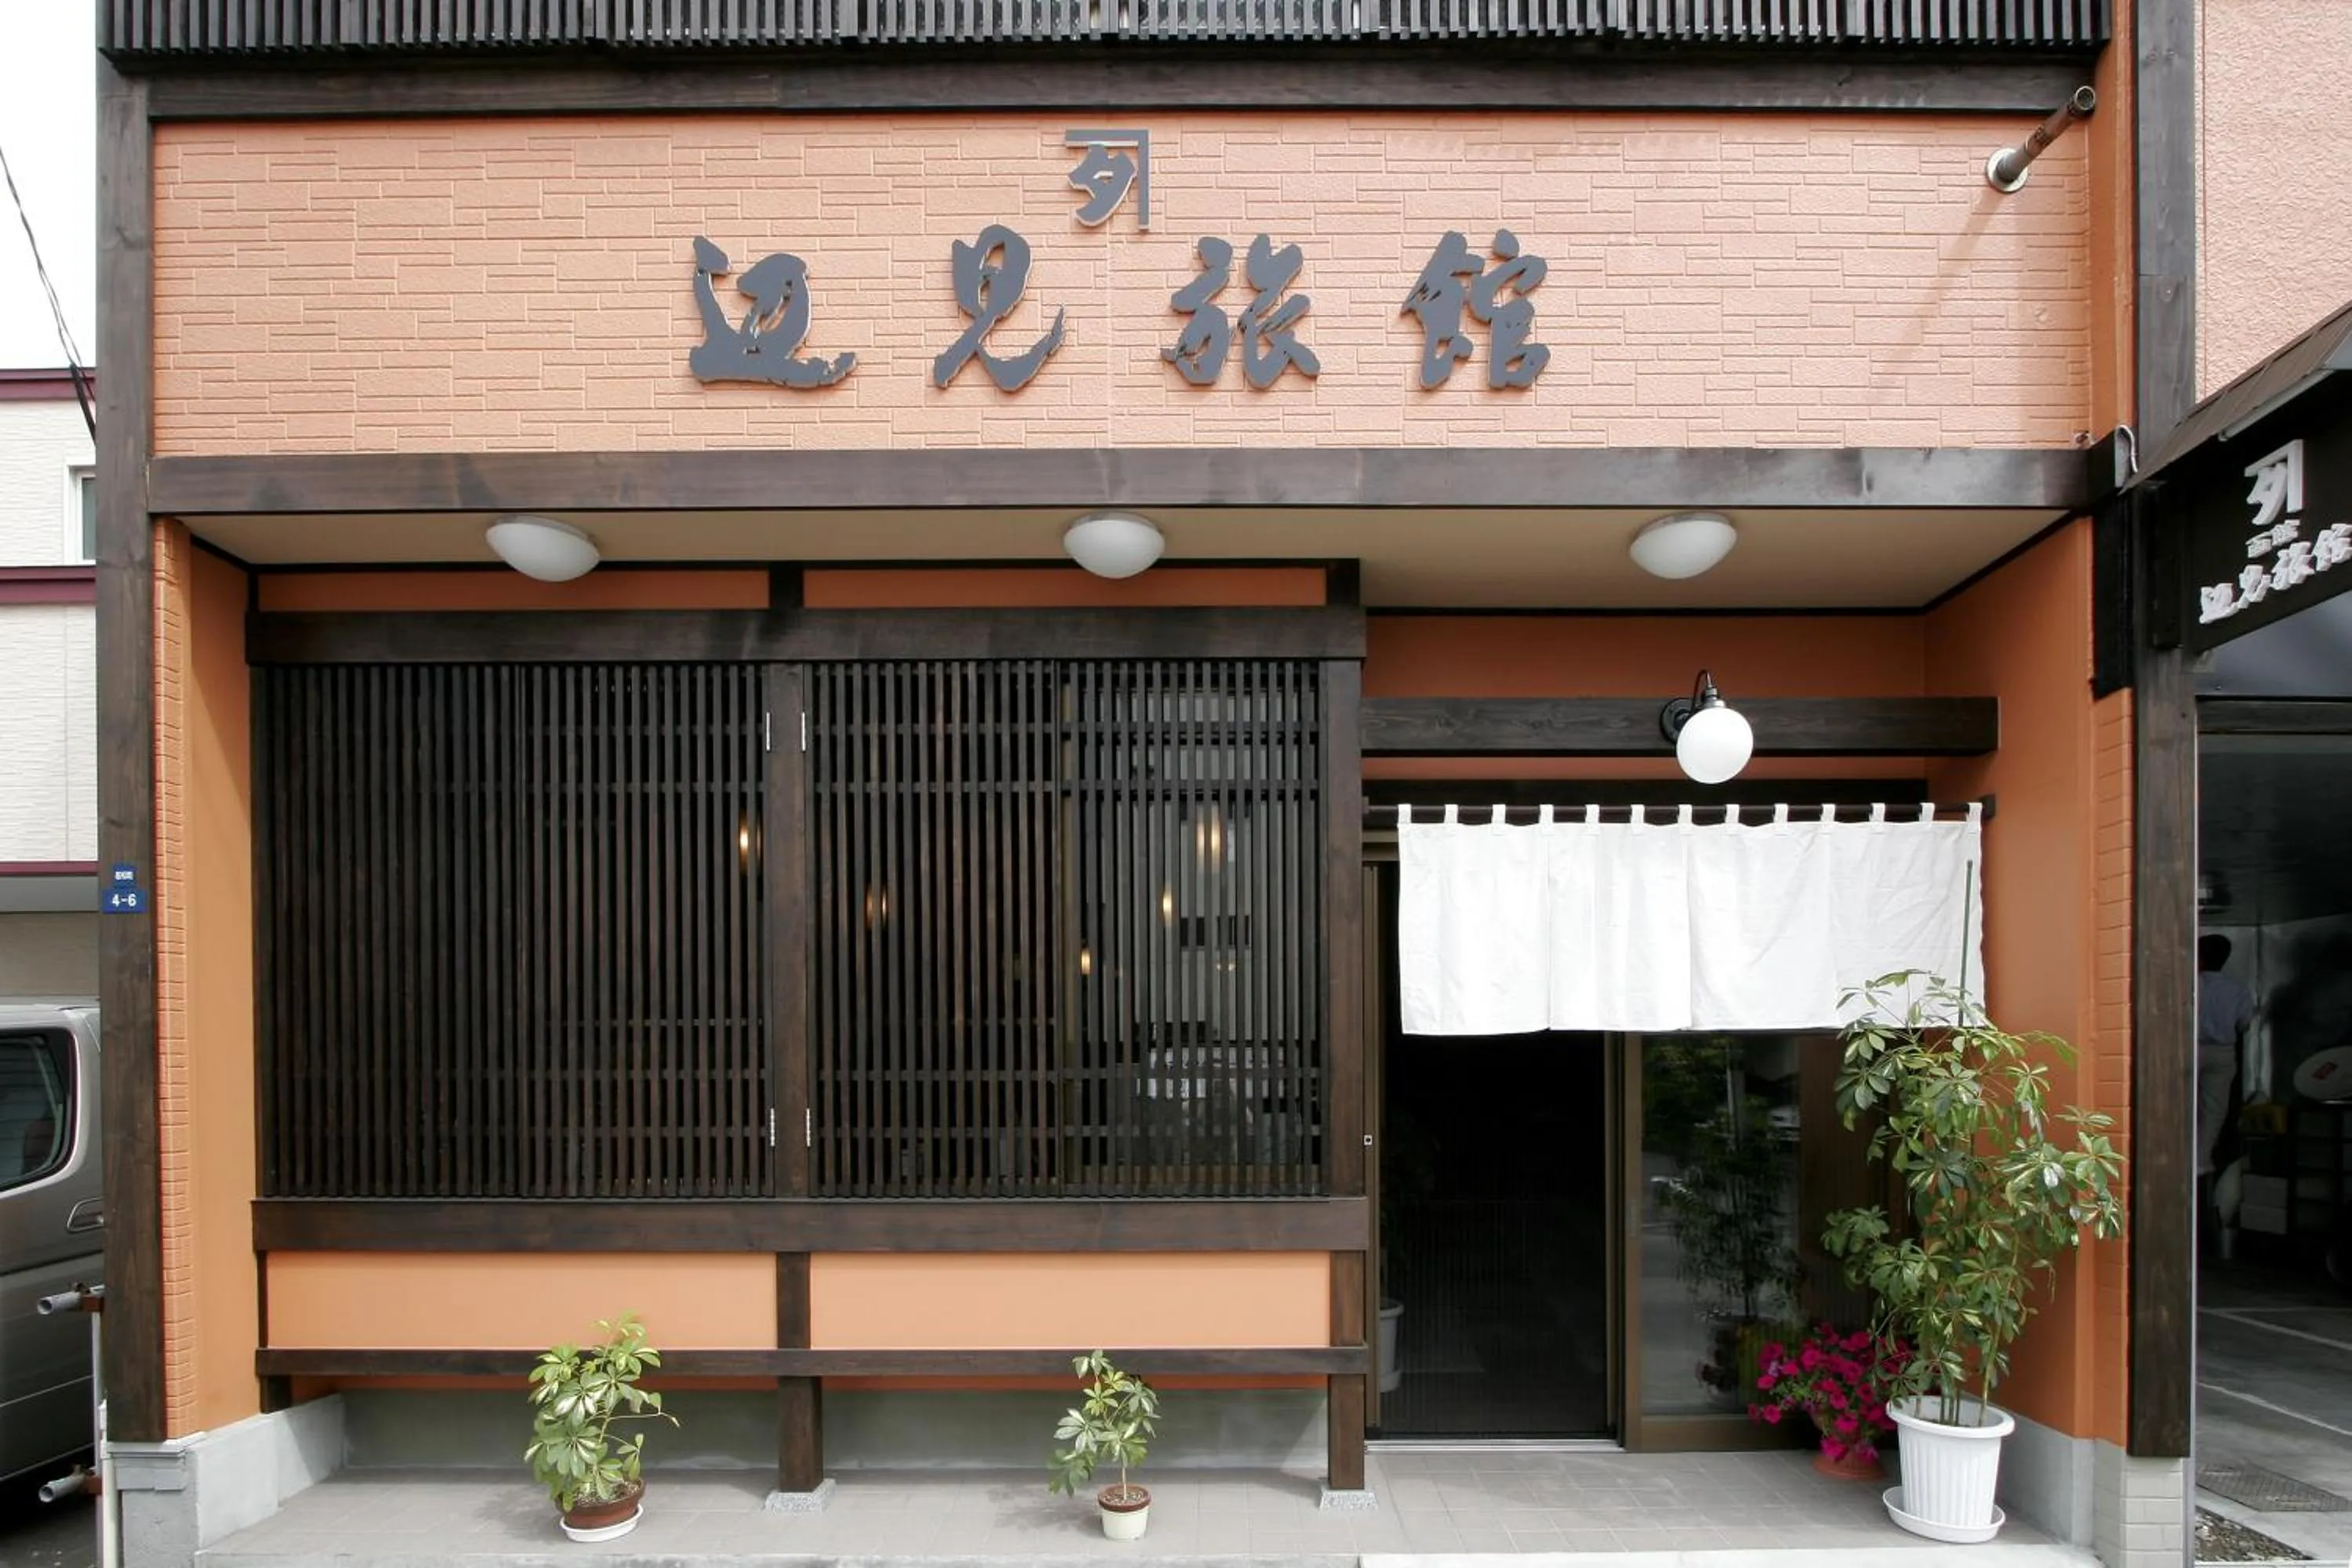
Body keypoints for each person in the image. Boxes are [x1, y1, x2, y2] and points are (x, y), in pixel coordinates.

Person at [2198, 934, 2258, 1256]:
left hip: (2192, 1047)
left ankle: (2179, 1147)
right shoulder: (2236, 988)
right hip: (2223, 1050)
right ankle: (2201, 1159)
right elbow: (2245, 1023)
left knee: (2183, 1100)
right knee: (2215, 1108)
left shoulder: (2192, 985)